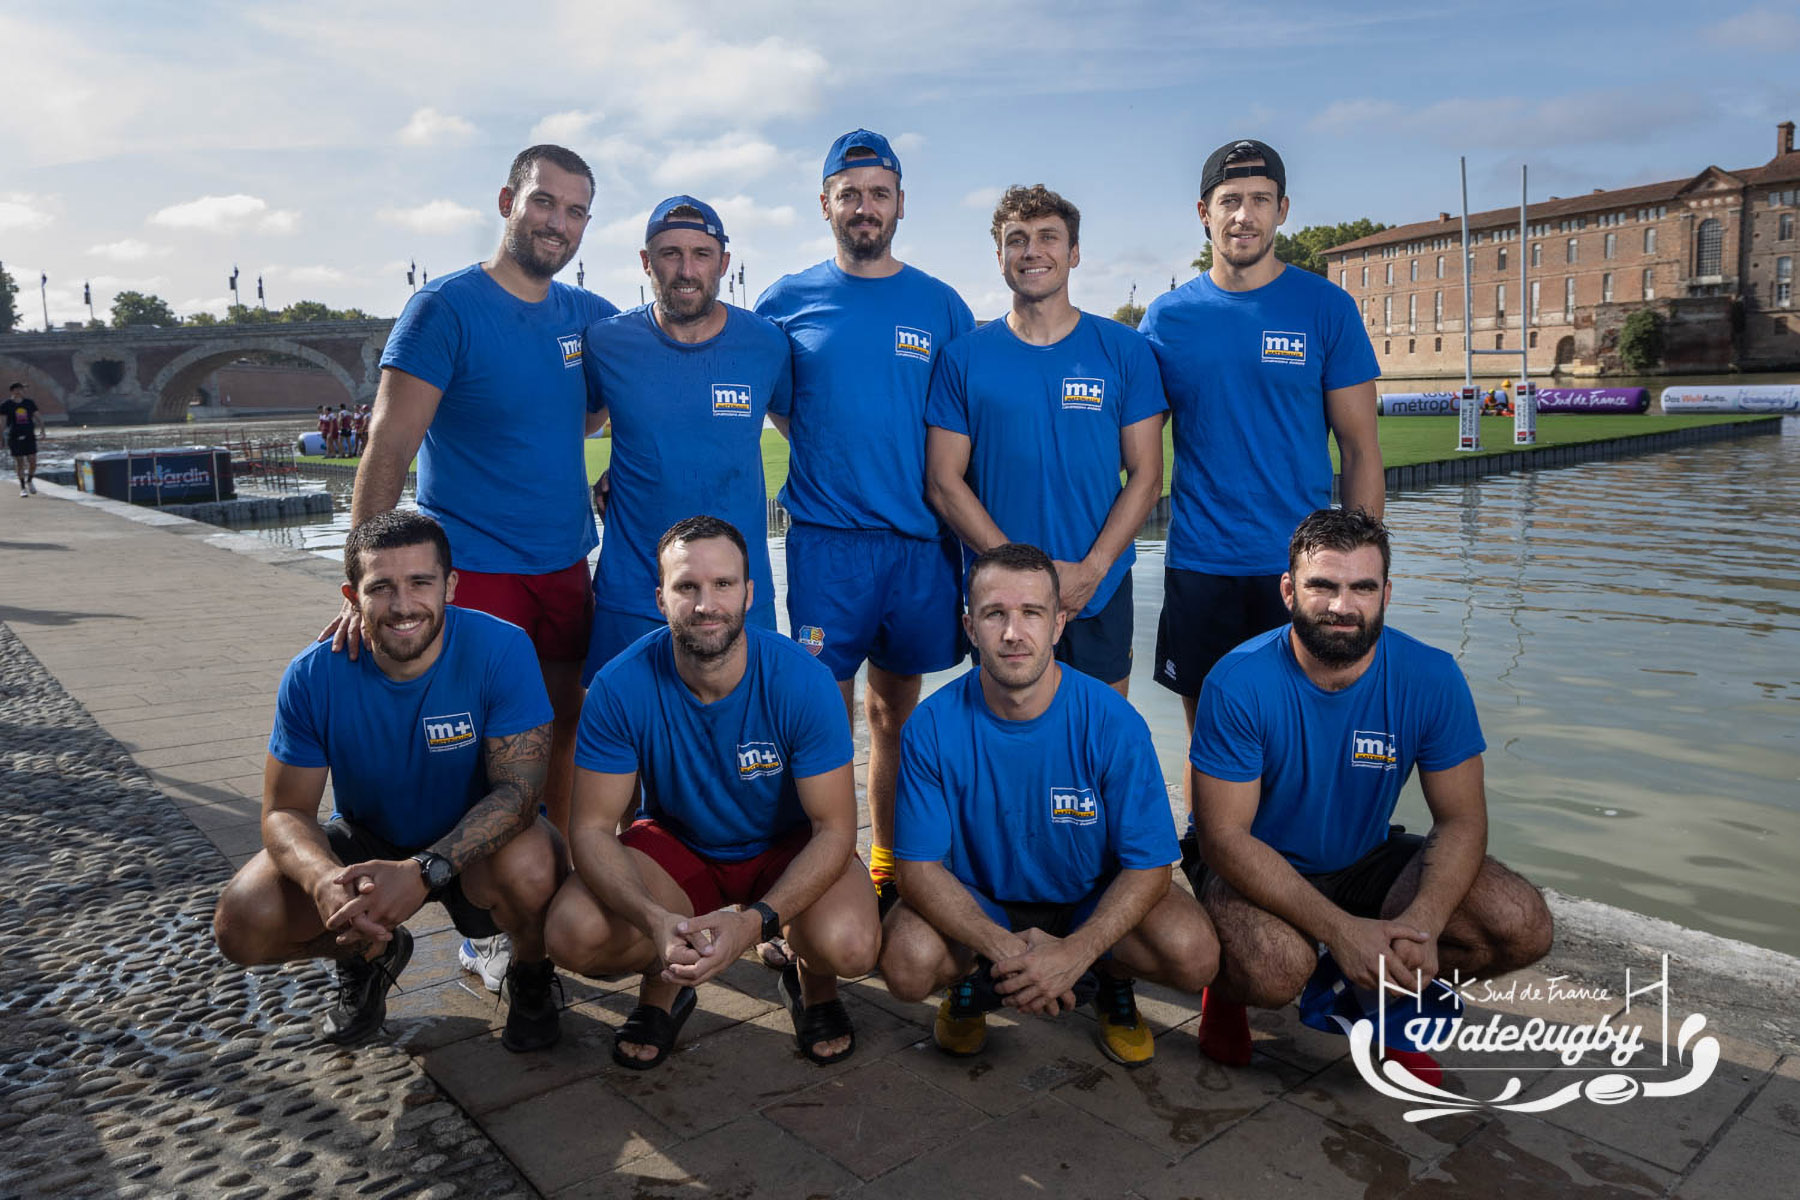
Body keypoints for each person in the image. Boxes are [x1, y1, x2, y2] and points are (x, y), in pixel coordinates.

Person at [1186, 508, 1553, 1077]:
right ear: (1289, 591)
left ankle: (1386, 1007)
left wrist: (1425, 924)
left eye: (1361, 587)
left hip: (1363, 858)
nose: (1342, 606)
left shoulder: (1431, 676)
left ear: (1387, 592)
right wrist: (1341, 932)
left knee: (1519, 922)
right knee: (1275, 970)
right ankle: (1230, 990)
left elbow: (1460, 821)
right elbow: (1224, 840)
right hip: (1257, 863)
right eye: (1322, 586)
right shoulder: (1239, 682)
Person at [335, 143, 618, 858]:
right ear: (507, 203)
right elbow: (389, 447)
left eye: (576, 210)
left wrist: (622, 470)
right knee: (478, 735)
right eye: (544, 202)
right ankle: (479, 908)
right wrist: (361, 582)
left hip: (561, 560)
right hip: (477, 565)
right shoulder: (445, 308)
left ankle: (543, 875)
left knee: (559, 722)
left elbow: (605, 411)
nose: (559, 222)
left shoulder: (587, 314)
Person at [213, 511, 566, 1050]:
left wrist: (425, 871)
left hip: (474, 844)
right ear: (352, 596)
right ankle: (370, 953)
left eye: (420, 582)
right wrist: (324, 883)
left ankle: (532, 972)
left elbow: (518, 796)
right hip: (368, 839)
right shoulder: (313, 674)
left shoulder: (501, 648)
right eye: (381, 587)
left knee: (536, 863)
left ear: (450, 584)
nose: (403, 605)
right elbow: (286, 812)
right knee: (241, 922)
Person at [545, 516, 878, 1069]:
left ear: (749, 593)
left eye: (723, 585)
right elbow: (591, 830)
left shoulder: (803, 680)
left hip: (785, 845)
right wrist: (655, 921)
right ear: (660, 598)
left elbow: (836, 829)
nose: (706, 604)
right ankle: (665, 982)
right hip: (680, 848)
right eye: (687, 587)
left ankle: (811, 980)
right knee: (572, 932)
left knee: (851, 944)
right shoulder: (619, 684)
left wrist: (753, 923)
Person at [879, 543, 1215, 1066]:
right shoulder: (931, 726)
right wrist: (1006, 950)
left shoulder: (1112, 721)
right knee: (906, 963)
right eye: (995, 614)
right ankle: (972, 981)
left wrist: (1075, 954)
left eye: (1031, 613)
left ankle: (1111, 977)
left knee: (1195, 954)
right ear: (970, 627)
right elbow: (917, 871)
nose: (1013, 633)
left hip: (1088, 899)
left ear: (1058, 624)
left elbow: (1149, 867)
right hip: (981, 901)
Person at [756, 129, 976, 912]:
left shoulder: (943, 305)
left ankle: (884, 862)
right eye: (849, 193)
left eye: (879, 192)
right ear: (825, 203)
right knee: (819, 716)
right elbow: (777, 406)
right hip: (827, 546)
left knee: (894, 711)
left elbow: (966, 423)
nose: (864, 206)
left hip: (919, 546)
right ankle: (825, 866)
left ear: (901, 204)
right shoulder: (784, 301)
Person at [1142, 138, 1383, 730]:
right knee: (1211, 727)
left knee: (1303, 726)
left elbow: (1360, 450)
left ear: (1283, 209)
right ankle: (1206, 826)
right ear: (1205, 212)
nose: (1243, 215)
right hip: (1202, 560)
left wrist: (1363, 568)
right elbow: (1132, 453)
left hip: (1304, 565)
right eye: (1229, 201)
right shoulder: (1167, 319)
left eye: (1259, 199)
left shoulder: (1326, 309)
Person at [926, 185, 1167, 694]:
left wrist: (1091, 571)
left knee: (1101, 740)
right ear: (1000, 257)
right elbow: (944, 482)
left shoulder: (1124, 350)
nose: (1032, 251)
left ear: (1073, 252)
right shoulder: (963, 358)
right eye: (1017, 240)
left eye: (1048, 237)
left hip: (1097, 587)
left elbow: (1146, 476)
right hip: (1002, 599)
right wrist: (1021, 574)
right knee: (1005, 745)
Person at [581, 196, 791, 682]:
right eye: (670, 254)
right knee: (620, 740)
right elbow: (571, 426)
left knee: (739, 739)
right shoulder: (607, 342)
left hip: (738, 591)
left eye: (700, 254)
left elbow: (805, 431)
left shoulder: (766, 343)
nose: (686, 269)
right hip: (634, 592)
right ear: (646, 261)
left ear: (723, 262)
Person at [4, 383, 44, 496]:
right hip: (14, 436)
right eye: (16, 390)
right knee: (19, 462)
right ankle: (22, 488)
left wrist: (43, 429)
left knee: (33, 461)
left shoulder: (29, 403)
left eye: (20, 390)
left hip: (29, 436)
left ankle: (30, 481)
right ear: (12, 392)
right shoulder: (6, 405)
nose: (18, 392)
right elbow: (2, 421)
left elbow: (38, 416)